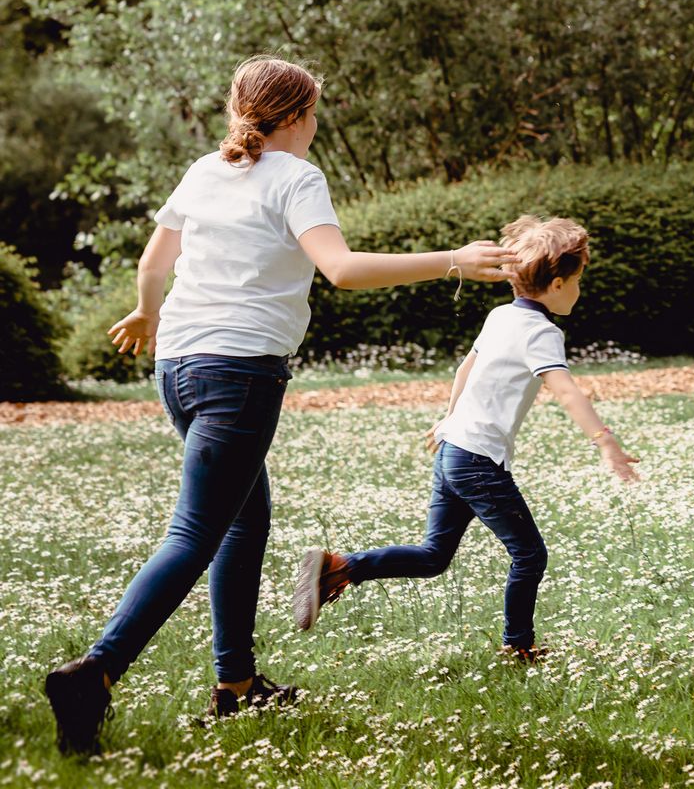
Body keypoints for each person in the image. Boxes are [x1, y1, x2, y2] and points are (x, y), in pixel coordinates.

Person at [44, 56, 515, 756]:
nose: (317, 124)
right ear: (296, 116)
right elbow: (343, 270)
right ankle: (97, 671)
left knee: (243, 520)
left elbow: (153, 263)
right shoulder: (298, 177)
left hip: (178, 367)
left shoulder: (208, 169)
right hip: (238, 375)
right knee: (195, 534)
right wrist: (451, 258)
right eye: (316, 111)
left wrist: (146, 316)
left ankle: (235, 687)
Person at [290, 215, 637, 655]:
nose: (578, 291)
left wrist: (448, 418)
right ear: (555, 283)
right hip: (477, 461)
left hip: (454, 449)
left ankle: (338, 567)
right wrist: (605, 441)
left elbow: (464, 369)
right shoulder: (542, 332)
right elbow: (565, 391)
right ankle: (519, 647)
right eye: (577, 281)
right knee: (530, 555)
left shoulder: (500, 316)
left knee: (434, 555)